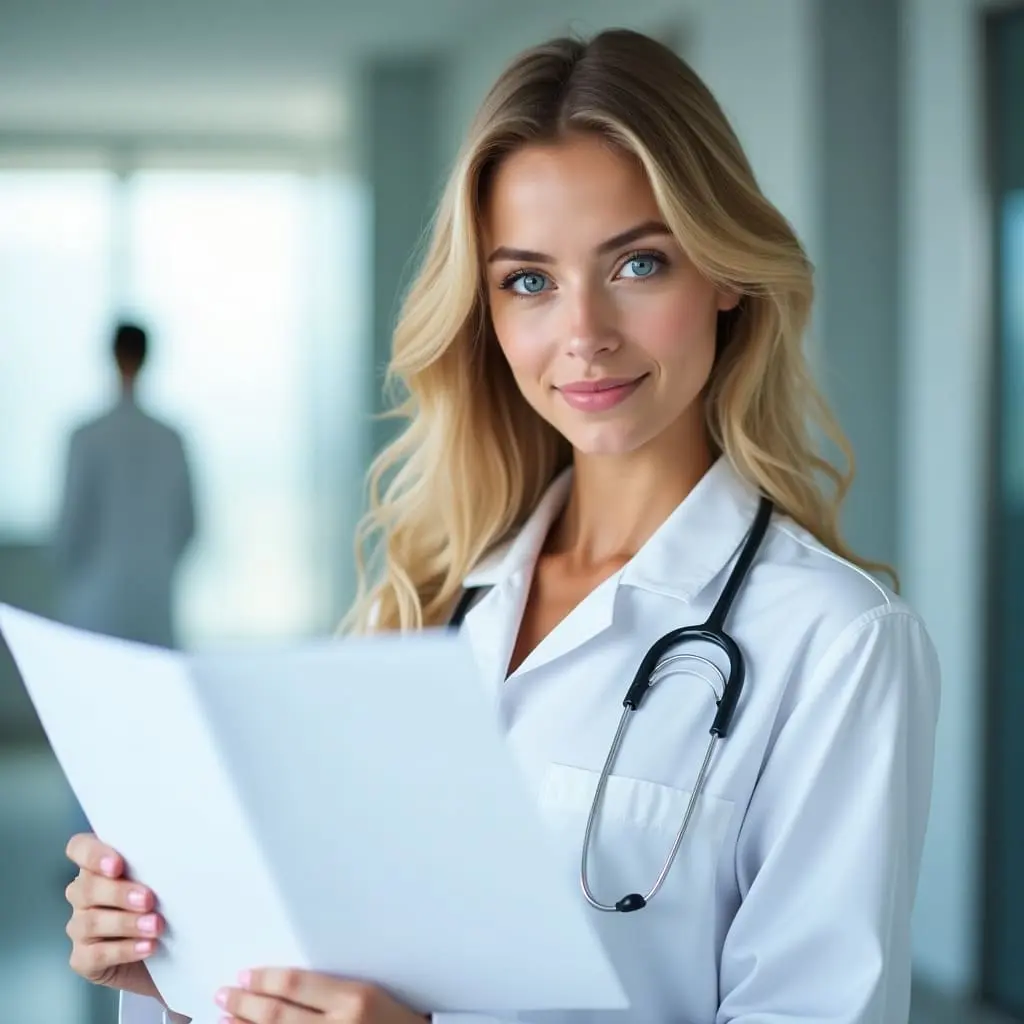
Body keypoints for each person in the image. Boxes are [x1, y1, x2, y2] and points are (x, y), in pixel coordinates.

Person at [61, 28, 939, 1024]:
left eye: (639, 264)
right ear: (484, 309)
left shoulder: (834, 641)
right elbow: (334, 964)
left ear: (724, 271)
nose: (583, 334)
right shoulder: (432, 597)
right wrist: (182, 963)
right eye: (529, 280)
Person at [53, 321, 197, 652]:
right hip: (154, 597)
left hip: (98, 600)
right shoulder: (171, 440)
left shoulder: (87, 437)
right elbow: (189, 525)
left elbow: (71, 528)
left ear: (112, 356)